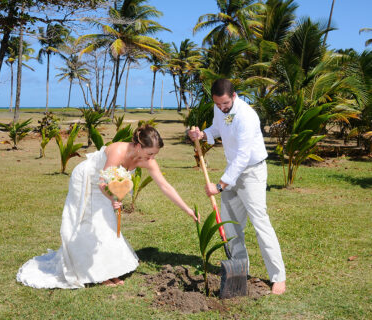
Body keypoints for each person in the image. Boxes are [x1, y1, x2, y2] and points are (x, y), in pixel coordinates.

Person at [17, 125, 198, 289]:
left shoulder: (147, 161)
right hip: (87, 180)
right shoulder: (118, 151)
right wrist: (112, 199)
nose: (152, 158)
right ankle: (99, 273)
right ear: (138, 145)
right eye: (149, 153)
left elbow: (165, 186)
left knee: (107, 224)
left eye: (154, 155)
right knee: (90, 224)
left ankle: (107, 270)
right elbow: (102, 182)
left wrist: (187, 209)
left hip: (106, 188)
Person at [188, 79, 286, 295]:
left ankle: (278, 277)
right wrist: (203, 134)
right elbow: (217, 128)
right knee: (231, 224)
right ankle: (240, 270)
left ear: (234, 96)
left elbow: (243, 156)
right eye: (217, 104)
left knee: (260, 222)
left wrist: (220, 186)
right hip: (232, 170)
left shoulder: (247, 116)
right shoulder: (219, 107)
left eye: (225, 104)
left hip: (251, 172)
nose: (222, 108)